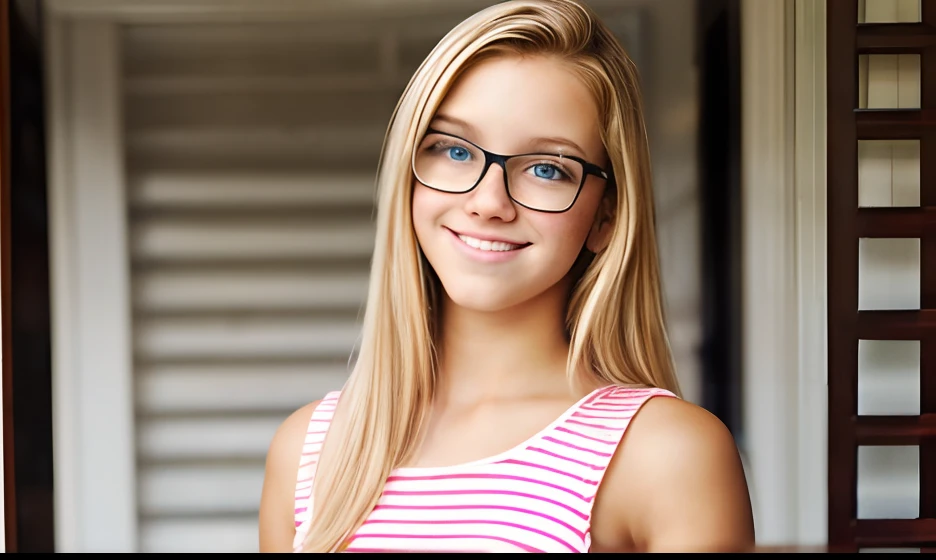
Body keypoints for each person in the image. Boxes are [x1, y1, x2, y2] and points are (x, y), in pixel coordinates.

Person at [259, 0, 755, 553]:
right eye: (453, 149)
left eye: (547, 167)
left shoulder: (666, 454)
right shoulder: (307, 450)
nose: (488, 201)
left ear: (606, 215)